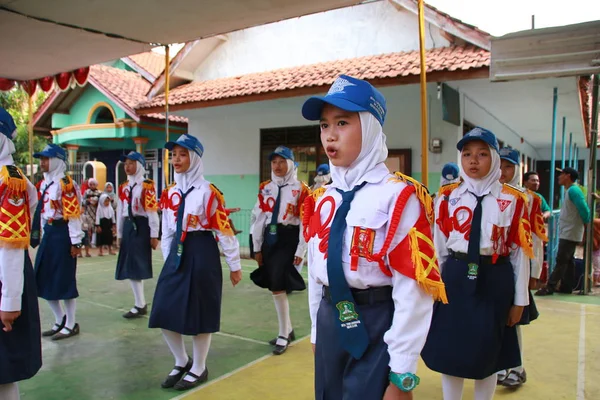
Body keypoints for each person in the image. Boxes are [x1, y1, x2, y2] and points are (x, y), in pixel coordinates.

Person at [301, 75, 445, 399]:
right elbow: (315, 271)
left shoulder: (400, 197)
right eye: (324, 125)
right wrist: (315, 330)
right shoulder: (321, 197)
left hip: (377, 322)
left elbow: (413, 288)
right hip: (329, 317)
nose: (330, 135)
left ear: (369, 127)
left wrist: (403, 372)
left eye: (342, 122)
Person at [421, 128, 532, 400]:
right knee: (452, 347)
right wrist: (436, 286)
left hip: (496, 277)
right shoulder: (447, 197)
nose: (474, 160)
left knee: (489, 351)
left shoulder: (514, 200)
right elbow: (438, 247)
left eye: (482, 154)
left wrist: (520, 301)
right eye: (467, 154)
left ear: (494, 158)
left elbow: (519, 253)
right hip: (456, 277)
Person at [149, 134, 242, 391]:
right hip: (176, 254)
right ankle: (181, 361)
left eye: (182, 154)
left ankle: (199, 367)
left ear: (195, 158)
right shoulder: (169, 192)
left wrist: (234, 265)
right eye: (174, 155)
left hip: (202, 251)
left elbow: (224, 231)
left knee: (201, 311)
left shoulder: (208, 192)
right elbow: (167, 229)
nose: (176, 160)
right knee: (163, 309)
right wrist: (169, 259)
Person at [250, 145, 309, 355]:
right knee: (275, 283)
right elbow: (258, 217)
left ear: (291, 163)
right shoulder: (265, 187)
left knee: (278, 284)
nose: (278, 166)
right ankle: (288, 329)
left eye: (282, 161)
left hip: (289, 238)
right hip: (270, 238)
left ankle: (284, 333)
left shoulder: (301, 189)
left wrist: (301, 250)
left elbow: (306, 221)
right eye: (274, 162)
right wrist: (256, 246)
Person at [0, 107, 42, 400]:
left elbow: (12, 247)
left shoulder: (10, 181)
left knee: (5, 366)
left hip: (4, 277)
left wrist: (10, 300)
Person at [496, 148, 546, 388]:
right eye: (500, 165)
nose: (503, 172)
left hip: (519, 267)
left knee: (513, 319)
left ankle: (516, 368)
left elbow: (534, 238)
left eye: (509, 167)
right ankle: (497, 366)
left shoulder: (528, 199)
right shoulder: (487, 194)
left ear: (517, 170)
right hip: (494, 268)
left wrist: (534, 272)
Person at [32, 144, 84, 341]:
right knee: (43, 277)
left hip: (63, 234)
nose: (42, 162)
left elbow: (74, 216)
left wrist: (76, 242)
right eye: (42, 159)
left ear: (57, 160)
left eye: (46, 158)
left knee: (64, 279)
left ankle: (71, 323)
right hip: (50, 234)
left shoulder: (66, 184)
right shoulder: (45, 184)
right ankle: (59, 319)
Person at [115, 152, 159, 318]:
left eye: (131, 163)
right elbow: (120, 210)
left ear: (139, 165)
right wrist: (119, 233)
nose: (127, 166)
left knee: (137, 265)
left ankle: (140, 304)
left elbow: (152, 211)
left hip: (141, 226)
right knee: (130, 266)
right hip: (128, 226)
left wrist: (154, 234)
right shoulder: (123, 187)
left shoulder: (147, 186)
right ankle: (139, 303)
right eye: (125, 163)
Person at [536, 167, 590, 295]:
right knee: (568, 260)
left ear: (568, 176)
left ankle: (550, 286)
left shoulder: (574, 191)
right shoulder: (570, 191)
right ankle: (567, 286)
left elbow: (584, 210)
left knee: (561, 259)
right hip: (569, 230)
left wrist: (586, 228)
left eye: (561, 174)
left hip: (571, 231)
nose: (559, 177)